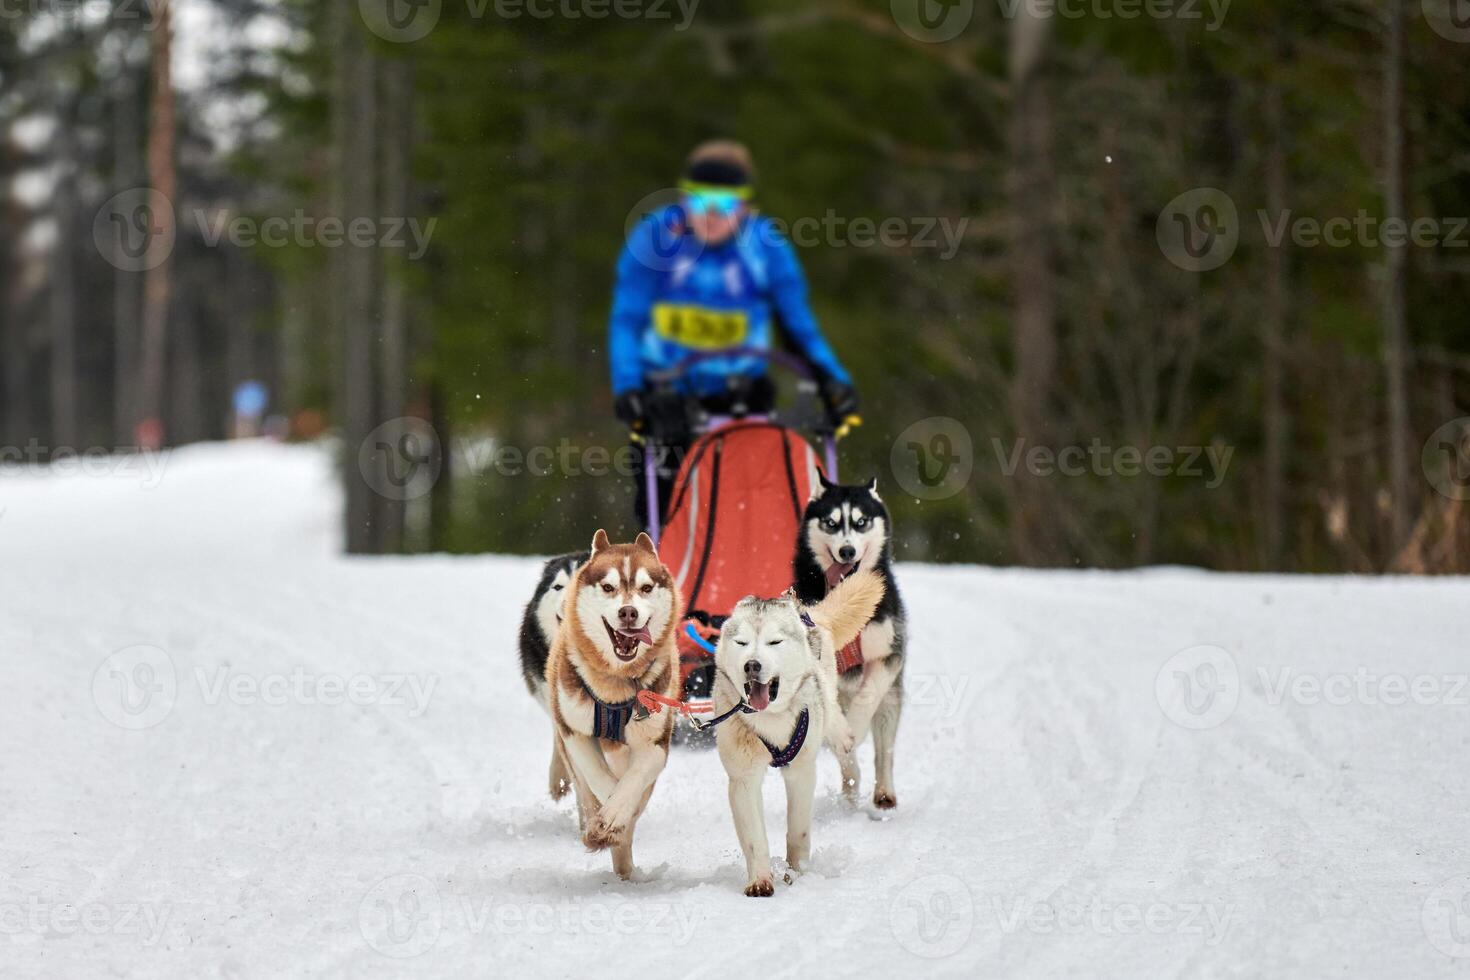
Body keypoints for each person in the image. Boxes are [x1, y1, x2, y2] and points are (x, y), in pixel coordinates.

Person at [608, 140, 860, 526]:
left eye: (723, 204)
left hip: (741, 397)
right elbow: (627, 320)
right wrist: (628, 387)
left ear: (743, 206)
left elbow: (798, 326)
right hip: (666, 397)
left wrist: (832, 381)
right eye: (699, 201)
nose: (710, 215)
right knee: (666, 509)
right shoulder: (655, 238)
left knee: (746, 510)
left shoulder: (765, 246)